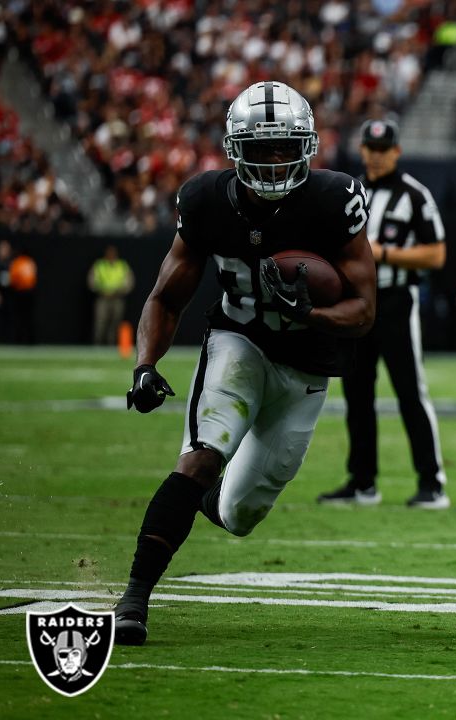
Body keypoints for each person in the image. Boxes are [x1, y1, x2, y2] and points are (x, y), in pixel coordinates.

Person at [113, 80, 376, 645]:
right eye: (263, 146)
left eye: (287, 146)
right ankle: (134, 598)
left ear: (307, 146)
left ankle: (206, 500)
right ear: (235, 148)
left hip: (307, 364)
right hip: (240, 342)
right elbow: (165, 295)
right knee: (201, 456)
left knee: (240, 514)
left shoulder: (335, 199)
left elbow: (363, 311)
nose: (276, 159)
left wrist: (312, 315)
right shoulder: (206, 199)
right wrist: (145, 364)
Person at [316, 119, 450, 509]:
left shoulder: (415, 195)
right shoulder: (351, 192)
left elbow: (437, 253)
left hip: (395, 301)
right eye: (370, 149)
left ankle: (432, 483)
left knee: (410, 392)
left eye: (382, 149)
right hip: (357, 302)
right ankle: (362, 482)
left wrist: (386, 254)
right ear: (362, 151)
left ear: (396, 151)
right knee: (357, 394)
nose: (375, 156)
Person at [88, 245, 135, 345]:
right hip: (103, 298)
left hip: (117, 298)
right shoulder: (99, 265)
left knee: (115, 323)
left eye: (113, 253)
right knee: (100, 322)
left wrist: (119, 290)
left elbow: (129, 282)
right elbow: (91, 281)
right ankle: (97, 345)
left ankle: (111, 346)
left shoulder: (122, 265)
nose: (111, 255)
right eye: (109, 253)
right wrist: (102, 290)